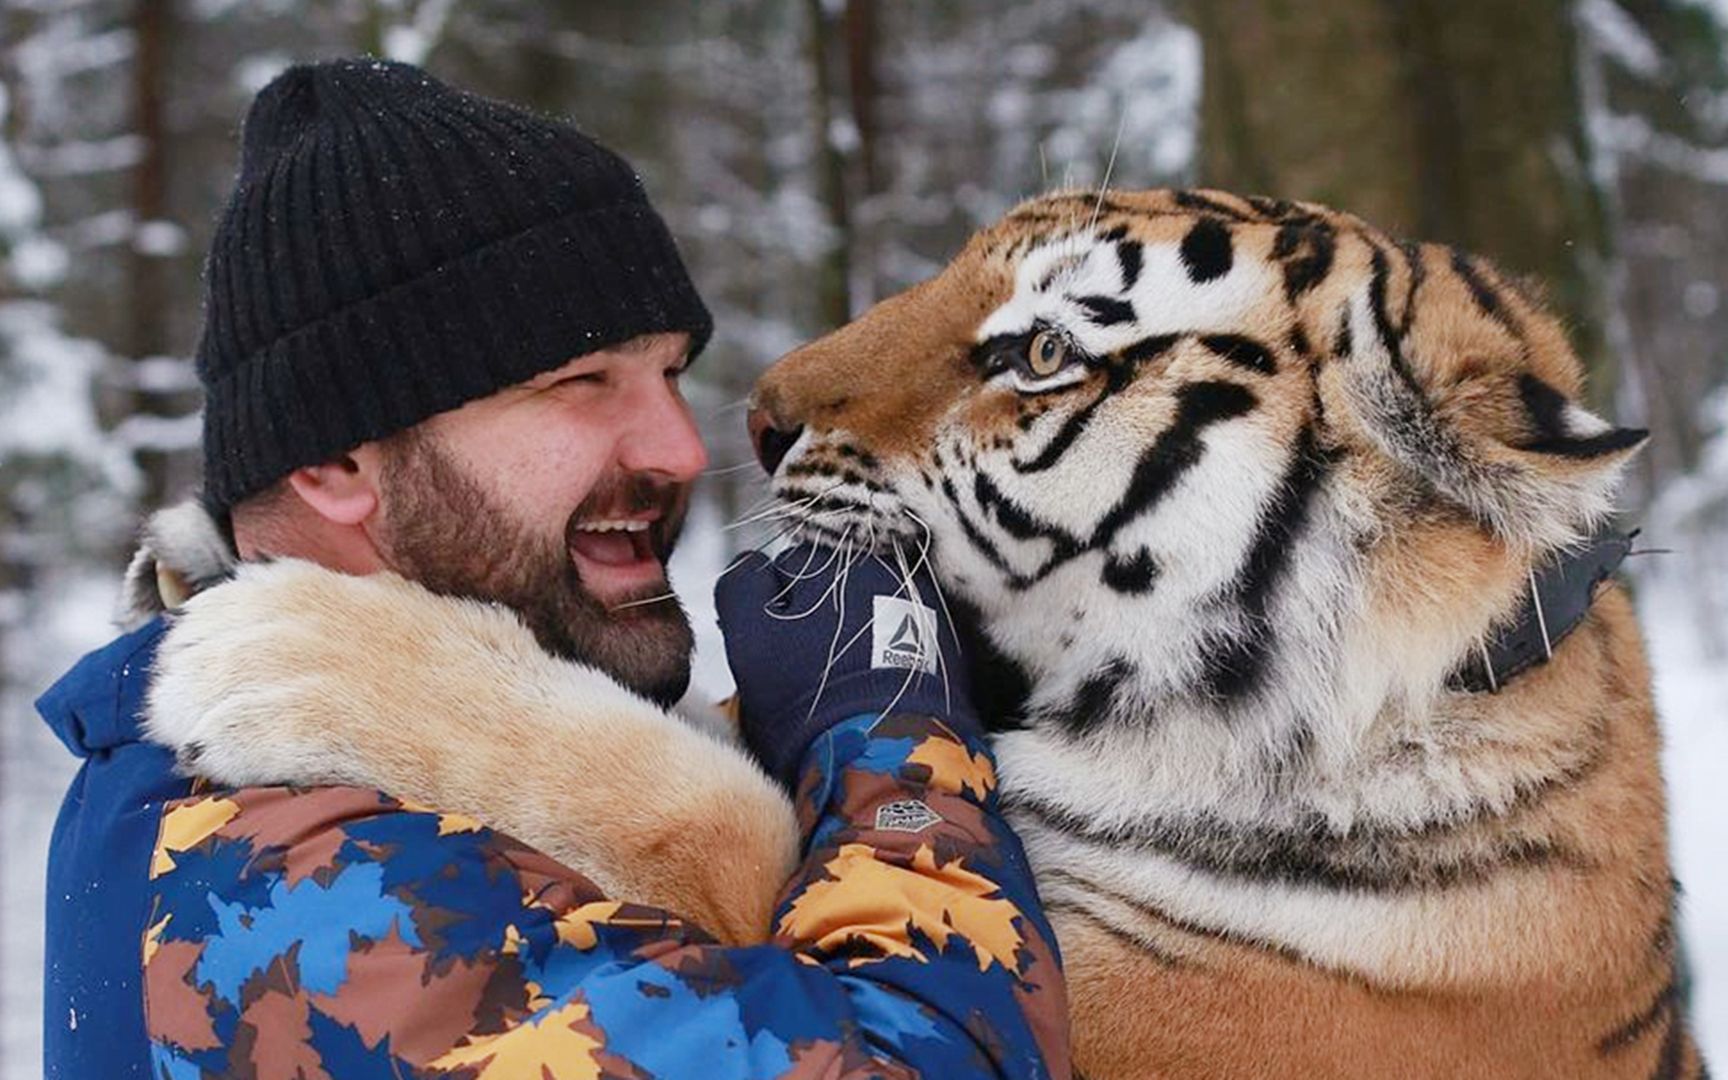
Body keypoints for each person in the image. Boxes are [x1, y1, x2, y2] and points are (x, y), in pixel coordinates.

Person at [34, 59, 1068, 1077]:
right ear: (337, 462)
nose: (677, 448)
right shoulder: (295, 870)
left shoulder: (374, 781)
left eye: (669, 373)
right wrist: (889, 741)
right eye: (581, 382)